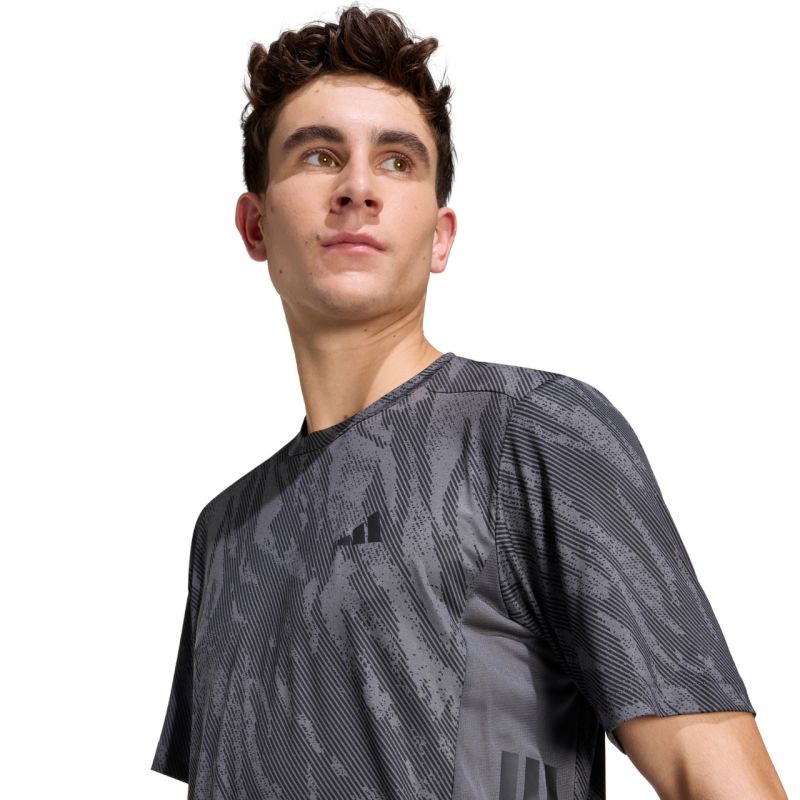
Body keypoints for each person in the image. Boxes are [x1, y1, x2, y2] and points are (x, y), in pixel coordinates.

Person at [150, 5, 787, 799]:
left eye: (396, 161)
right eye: (318, 155)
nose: (357, 188)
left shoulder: (535, 434)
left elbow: (715, 776)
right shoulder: (224, 532)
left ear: (441, 235)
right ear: (254, 225)